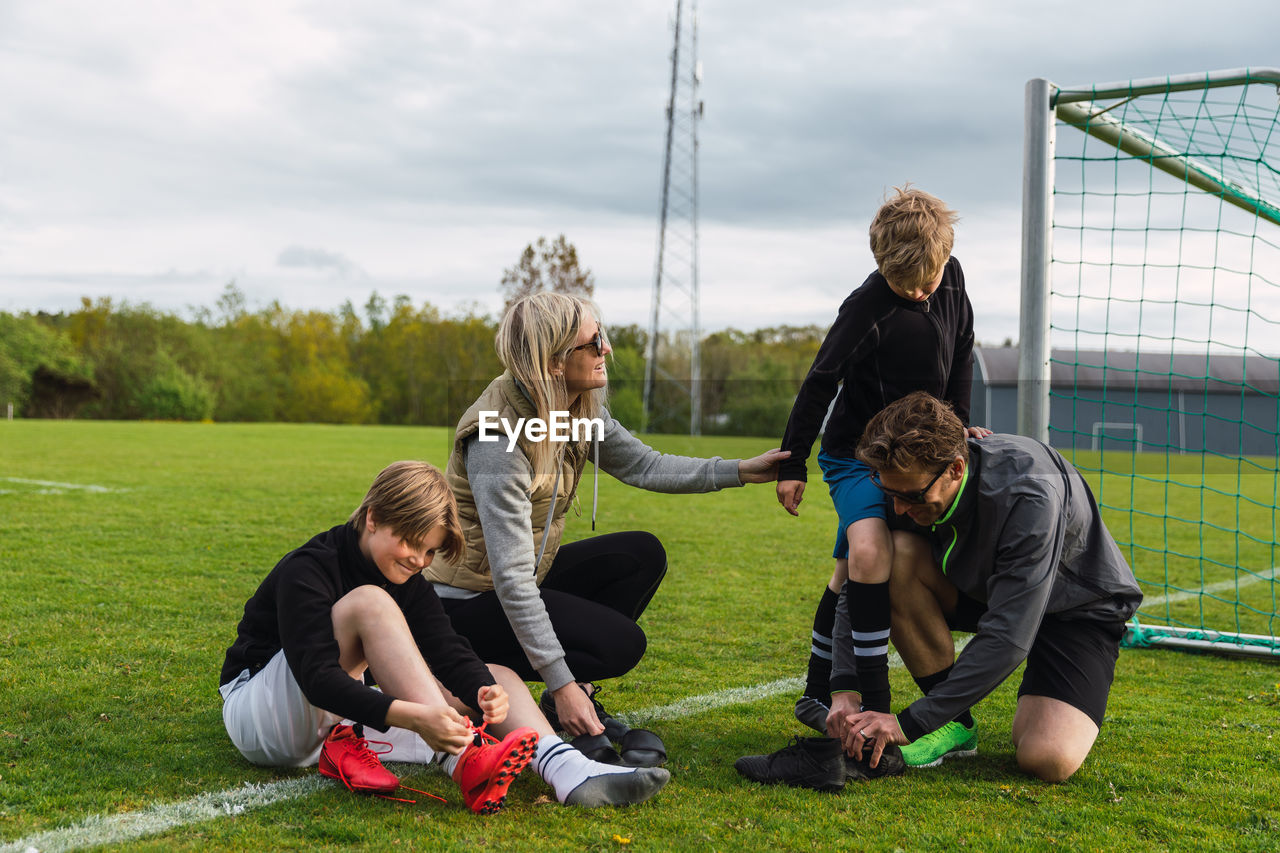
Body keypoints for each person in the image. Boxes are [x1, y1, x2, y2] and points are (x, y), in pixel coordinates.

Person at [425, 291, 787, 765]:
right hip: (463, 605)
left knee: (639, 555)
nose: (607, 350)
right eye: (594, 342)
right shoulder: (498, 435)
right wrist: (565, 681)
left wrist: (740, 470)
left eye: (603, 337)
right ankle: (511, 686)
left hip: (516, 582)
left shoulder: (576, 407)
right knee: (620, 645)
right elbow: (510, 580)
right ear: (555, 362)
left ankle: (558, 703)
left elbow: (645, 465)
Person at [739, 392, 1143, 788]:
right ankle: (956, 725)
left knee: (1047, 758)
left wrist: (910, 723)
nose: (898, 509)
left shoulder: (1029, 494)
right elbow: (861, 582)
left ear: (956, 467)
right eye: (889, 494)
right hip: (982, 589)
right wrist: (843, 688)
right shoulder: (903, 479)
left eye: (912, 497)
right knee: (891, 553)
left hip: (1074, 610)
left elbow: (1007, 635)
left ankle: (942, 717)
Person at [219, 460, 670, 813]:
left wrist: (481, 690)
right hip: (261, 716)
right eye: (411, 542)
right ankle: (464, 760)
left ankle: (570, 771)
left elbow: (447, 647)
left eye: (430, 550)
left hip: (334, 726)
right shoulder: (310, 568)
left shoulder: (407, 579)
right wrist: (417, 717)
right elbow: (316, 678)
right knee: (370, 603)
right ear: (373, 518)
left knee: (498, 675)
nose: (420, 559)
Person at [774, 186, 989, 733]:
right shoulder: (866, 306)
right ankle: (873, 703)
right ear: (880, 263)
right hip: (855, 455)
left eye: (928, 280)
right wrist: (793, 462)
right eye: (903, 284)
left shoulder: (953, 278)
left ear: (945, 258)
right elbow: (821, 382)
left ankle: (817, 691)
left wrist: (957, 428)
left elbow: (961, 349)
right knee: (871, 551)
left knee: (852, 566)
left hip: (918, 457)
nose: (918, 292)